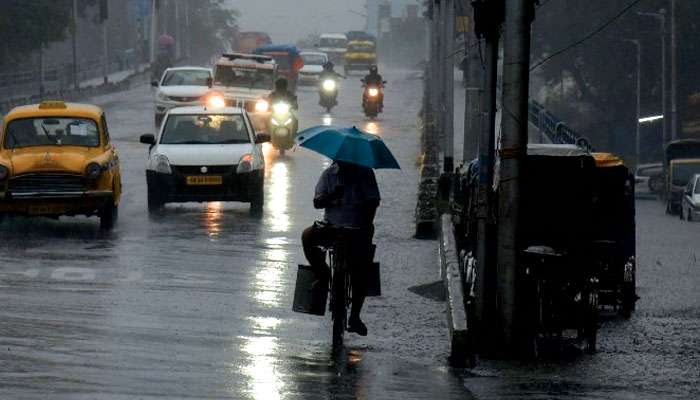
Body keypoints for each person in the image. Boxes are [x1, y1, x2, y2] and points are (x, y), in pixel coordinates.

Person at [302, 161, 381, 336]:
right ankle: (322, 275)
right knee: (307, 236)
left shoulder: (366, 173)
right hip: (331, 227)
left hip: (357, 230)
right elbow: (317, 202)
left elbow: (374, 201)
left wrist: (364, 220)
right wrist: (332, 196)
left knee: (361, 270)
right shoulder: (329, 174)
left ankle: (355, 317)